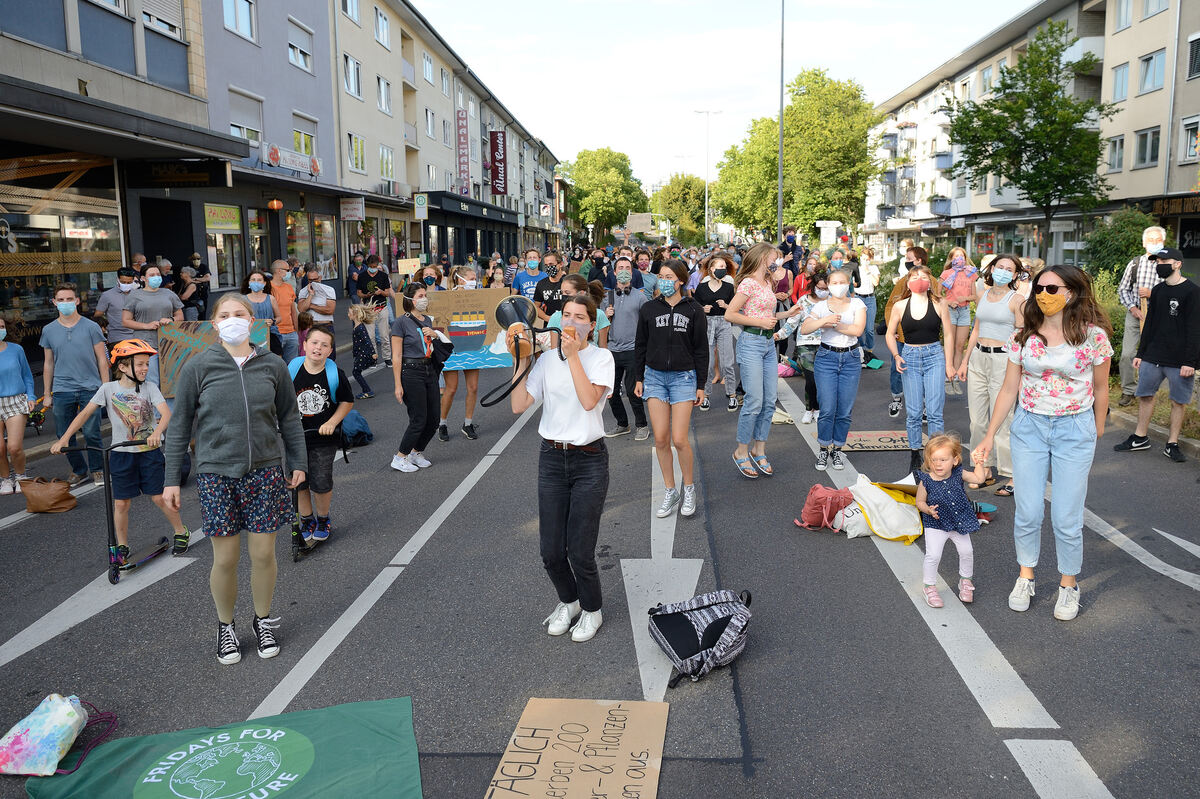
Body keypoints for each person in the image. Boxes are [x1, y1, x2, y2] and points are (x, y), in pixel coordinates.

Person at [163, 292, 306, 663]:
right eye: (224, 314)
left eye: (239, 313)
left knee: (263, 554)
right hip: (215, 473)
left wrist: (297, 461)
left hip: (264, 469)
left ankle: (261, 620)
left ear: (252, 318)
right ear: (214, 323)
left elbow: (289, 417)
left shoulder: (273, 364)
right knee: (224, 558)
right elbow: (179, 426)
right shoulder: (198, 367)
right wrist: (171, 479)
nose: (232, 319)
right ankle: (226, 626)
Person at [975, 265, 1113, 622]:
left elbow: (1101, 388)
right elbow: (1009, 389)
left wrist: (1095, 431)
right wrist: (989, 436)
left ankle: (1069, 584)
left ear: (1073, 292)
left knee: (1067, 516)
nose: (1044, 294)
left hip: (1074, 430)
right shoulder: (1024, 337)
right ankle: (1026, 576)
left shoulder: (1094, 337)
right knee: (1029, 511)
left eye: (1053, 288)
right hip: (1030, 428)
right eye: (1040, 287)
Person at [508, 291, 614, 643]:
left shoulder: (602, 358)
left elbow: (588, 402)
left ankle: (592, 610)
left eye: (579, 316)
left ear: (592, 323)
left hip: (589, 460)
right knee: (551, 551)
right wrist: (520, 360)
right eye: (565, 315)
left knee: (580, 550)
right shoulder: (547, 360)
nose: (570, 321)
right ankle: (568, 602)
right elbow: (519, 404)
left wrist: (572, 358)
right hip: (552, 458)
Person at [51, 340, 190, 560]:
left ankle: (181, 531)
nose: (146, 368)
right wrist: (65, 439)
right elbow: (85, 414)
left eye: (147, 364)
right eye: (141, 364)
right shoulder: (108, 389)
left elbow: (166, 414)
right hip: (121, 454)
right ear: (123, 367)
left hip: (148, 452)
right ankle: (122, 545)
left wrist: (156, 434)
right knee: (121, 502)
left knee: (158, 498)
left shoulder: (150, 388)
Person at [1113, 247, 1200, 463]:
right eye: (1157, 261)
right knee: (1145, 395)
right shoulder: (1159, 290)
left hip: (1180, 361)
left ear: (1177, 263)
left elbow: (1195, 329)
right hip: (1153, 356)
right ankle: (1140, 437)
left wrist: (1191, 362)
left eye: (1164, 260)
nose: (1160, 264)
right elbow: (1149, 324)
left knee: (1178, 402)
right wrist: (1141, 353)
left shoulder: (1192, 292)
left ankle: (1172, 444)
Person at [635, 260, 707, 517]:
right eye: (661, 276)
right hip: (654, 377)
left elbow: (701, 349)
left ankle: (688, 488)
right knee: (661, 438)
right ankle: (670, 490)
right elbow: (640, 345)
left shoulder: (694, 310)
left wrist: (701, 384)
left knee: (679, 438)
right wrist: (638, 378)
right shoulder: (649, 309)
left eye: (669, 276)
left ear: (680, 280)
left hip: (684, 379)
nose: (663, 280)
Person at [725, 243, 802, 478]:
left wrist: (786, 315)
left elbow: (767, 315)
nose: (776, 262)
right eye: (773, 258)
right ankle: (741, 451)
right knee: (754, 400)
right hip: (751, 343)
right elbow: (730, 314)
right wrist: (760, 323)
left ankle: (759, 450)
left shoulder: (768, 282)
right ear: (762, 257)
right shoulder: (748, 282)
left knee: (769, 401)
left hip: (769, 344)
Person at [958, 254, 1026, 496]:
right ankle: (982, 468)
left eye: (1009, 269)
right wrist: (965, 360)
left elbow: (1022, 335)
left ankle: (1011, 473)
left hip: (1003, 360)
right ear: (992, 268)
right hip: (978, 357)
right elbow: (976, 328)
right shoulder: (983, 293)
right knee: (977, 420)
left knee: (1004, 419)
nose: (1004, 271)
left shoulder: (1016, 300)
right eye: (1000, 267)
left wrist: (1018, 368)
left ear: (1016, 275)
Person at [886, 263, 955, 474]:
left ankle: (936, 456)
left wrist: (949, 363)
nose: (918, 280)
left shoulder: (940, 303)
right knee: (914, 412)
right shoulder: (900, 305)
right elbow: (890, 334)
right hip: (909, 357)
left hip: (934, 355)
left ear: (929, 282)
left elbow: (949, 334)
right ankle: (915, 454)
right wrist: (896, 355)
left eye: (923, 276)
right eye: (914, 276)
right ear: (908, 282)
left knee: (934, 412)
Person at [42, 283, 110, 486]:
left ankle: (98, 469)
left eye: (69, 299)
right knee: (64, 434)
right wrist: (47, 393)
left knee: (91, 432)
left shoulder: (91, 327)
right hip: (63, 388)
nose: (65, 303)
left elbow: (102, 360)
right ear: (54, 303)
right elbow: (48, 363)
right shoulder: (48, 330)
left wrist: (105, 388)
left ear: (77, 301)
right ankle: (79, 470)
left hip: (91, 387)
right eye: (61, 300)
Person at [290, 326, 353, 542]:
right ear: (304, 345)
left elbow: (347, 401)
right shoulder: (293, 368)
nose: (318, 348)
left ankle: (323, 517)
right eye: (314, 343)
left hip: (323, 438)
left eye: (324, 345)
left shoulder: (335, 374)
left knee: (321, 480)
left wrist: (332, 422)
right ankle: (307, 519)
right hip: (296, 437)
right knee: (299, 481)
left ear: (330, 350)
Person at [801, 269, 867, 471]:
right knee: (827, 408)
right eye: (834, 282)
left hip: (851, 358)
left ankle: (837, 449)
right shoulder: (821, 306)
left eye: (842, 282)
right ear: (828, 285)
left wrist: (834, 324)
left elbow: (857, 330)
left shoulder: (857, 304)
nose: (838, 285)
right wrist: (824, 321)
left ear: (849, 284)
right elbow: (805, 328)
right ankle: (823, 448)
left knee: (844, 411)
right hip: (826, 358)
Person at [915, 434, 988, 608]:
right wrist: (927, 510)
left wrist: (979, 463)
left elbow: (979, 479)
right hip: (936, 523)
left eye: (943, 459)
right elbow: (919, 501)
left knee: (967, 551)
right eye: (933, 460)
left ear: (955, 460)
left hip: (959, 521)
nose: (938, 464)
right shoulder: (926, 480)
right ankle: (929, 586)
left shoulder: (958, 473)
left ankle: (965, 581)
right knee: (933, 555)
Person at [390, 283, 440, 473]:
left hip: (429, 370)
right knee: (419, 418)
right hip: (411, 371)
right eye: (420, 296)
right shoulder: (401, 322)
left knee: (434, 418)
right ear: (410, 299)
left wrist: (435, 334)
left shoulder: (427, 319)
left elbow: (431, 345)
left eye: (425, 295)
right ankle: (400, 456)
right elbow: (396, 356)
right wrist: (397, 384)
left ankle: (416, 452)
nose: (424, 299)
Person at [1116, 226, 1168, 406]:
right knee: (1127, 354)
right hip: (1135, 314)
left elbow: (1174, 292)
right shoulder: (1135, 263)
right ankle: (1128, 390)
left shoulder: (1169, 264)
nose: (1154, 243)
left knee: (1157, 355)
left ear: (1163, 242)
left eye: (1158, 240)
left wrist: (1152, 294)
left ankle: (1151, 392)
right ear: (1144, 243)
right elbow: (1123, 289)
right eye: (1151, 240)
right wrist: (1133, 309)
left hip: (1159, 316)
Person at [602, 258, 650, 440]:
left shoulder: (640, 297)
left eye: (627, 268)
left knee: (632, 391)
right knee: (611, 391)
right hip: (612, 351)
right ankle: (622, 423)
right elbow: (601, 328)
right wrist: (606, 316)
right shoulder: (607, 298)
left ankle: (642, 425)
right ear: (614, 272)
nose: (624, 271)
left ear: (632, 273)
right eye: (620, 268)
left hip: (633, 351)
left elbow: (647, 326)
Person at [439, 266, 484, 441]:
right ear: (460, 279)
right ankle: (442, 423)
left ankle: (468, 423)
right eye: (471, 278)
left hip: (472, 343)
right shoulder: (447, 297)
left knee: (473, 387)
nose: (475, 281)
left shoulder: (479, 297)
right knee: (451, 388)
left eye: (475, 278)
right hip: (452, 346)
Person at [776, 272, 827, 425]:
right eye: (820, 288)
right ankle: (809, 409)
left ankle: (816, 409)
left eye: (826, 288)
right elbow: (792, 321)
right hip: (805, 344)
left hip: (825, 344)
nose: (823, 291)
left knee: (820, 379)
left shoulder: (832, 301)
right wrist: (779, 334)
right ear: (813, 287)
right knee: (811, 378)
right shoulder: (803, 300)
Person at [122, 264, 183, 387]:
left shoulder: (168, 293)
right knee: (151, 382)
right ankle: (152, 406)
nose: (156, 277)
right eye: (152, 275)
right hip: (146, 346)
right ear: (143, 278)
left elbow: (180, 316)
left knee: (170, 383)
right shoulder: (134, 295)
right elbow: (125, 321)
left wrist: (171, 319)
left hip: (169, 344)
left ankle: (169, 407)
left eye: (158, 275)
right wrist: (147, 326)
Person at [695, 253, 739, 412]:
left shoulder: (728, 287)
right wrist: (702, 309)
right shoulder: (701, 287)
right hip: (706, 324)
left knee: (727, 361)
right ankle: (705, 396)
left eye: (725, 268)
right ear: (711, 269)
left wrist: (726, 305)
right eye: (720, 267)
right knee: (707, 363)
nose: (723, 270)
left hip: (724, 323)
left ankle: (732, 395)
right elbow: (695, 307)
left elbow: (735, 307)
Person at [0, 318, 35, 494]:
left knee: (14, 447)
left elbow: (27, 375)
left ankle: (21, 475)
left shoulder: (16, 349)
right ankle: (5, 479)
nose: (0, 330)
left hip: (15, 399)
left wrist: (31, 396)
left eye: (1, 327)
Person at [940, 247, 977, 391]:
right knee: (949, 344)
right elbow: (937, 294)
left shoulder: (970, 273)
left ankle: (955, 377)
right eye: (956, 256)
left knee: (960, 346)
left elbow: (974, 296)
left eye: (961, 256)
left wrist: (965, 298)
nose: (959, 259)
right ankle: (947, 377)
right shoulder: (947, 273)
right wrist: (949, 302)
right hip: (950, 310)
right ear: (951, 258)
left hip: (964, 310)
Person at [548, 275, 610, 347]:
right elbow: (554, 349)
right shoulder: (556, 317)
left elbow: (603, 347)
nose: (564, 296)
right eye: (562, 293)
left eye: (567, 293)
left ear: (581, 293)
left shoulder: (599, 314)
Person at [356, 255, 394, 367]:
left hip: (382, 307)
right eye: (371, 267)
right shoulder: (362, 276)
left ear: (378, 265)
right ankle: (373, 358)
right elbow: (358, 292)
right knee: (370, 336)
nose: (373, 269)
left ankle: (387, 358)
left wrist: (381, 292)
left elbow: (387, 293)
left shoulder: (383, 276)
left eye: (375, 266)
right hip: (369, 308)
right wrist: (365, 295)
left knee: (384, 335)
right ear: (367, 265)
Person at [298, 263, 338, 353]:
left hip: (326, 325)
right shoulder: (303, 291)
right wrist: (310, 295)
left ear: (320, 278)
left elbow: (329, 310)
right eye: (310, 280)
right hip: (310, 327)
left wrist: (311, 305)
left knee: (328, 355)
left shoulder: (329, 290)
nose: (313, 282)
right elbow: (301, 309)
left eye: (315, 279)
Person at [95, 267, 139, 343]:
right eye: (123, 282)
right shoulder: (107, 295)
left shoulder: (138, 294)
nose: (126, 284)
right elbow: (97, 316)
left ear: (133, 281)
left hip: (138, 336)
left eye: (129, 283)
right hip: (116, 337)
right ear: (117, 279)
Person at [240, 270, 280, 354]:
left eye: (259, 280)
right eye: (253, 280)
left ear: (264, 283)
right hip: (249, 336)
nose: (256, 282)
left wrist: (272, 321)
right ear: (248, 282)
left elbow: (279, 318)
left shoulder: (271, 298)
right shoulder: (242, 300)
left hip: (270, 335)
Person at [852, 248, 880, 362]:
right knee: (859, 327)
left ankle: (869, 349)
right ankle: (861, 347)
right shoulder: (856, 268)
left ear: (871, 259)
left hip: (870, 298)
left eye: (867, 259)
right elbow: (853, 284)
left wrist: (868, 271)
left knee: (869, 329)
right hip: (858, 297)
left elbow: (876, 283)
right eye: (863, 259)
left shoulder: (873, 268)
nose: (865, 261)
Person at [271, 260, 300, 362]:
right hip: (277, 333)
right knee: (278, 367)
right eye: (287, 270)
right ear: (279, 271)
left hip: (291, 333)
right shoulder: (268, 288)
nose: (289, 272)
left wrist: (297, 331)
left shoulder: (288, 287)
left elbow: (293, 311)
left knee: (293, 366)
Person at [348, 304, 378, 399]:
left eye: (349, 312)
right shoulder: (357, 326)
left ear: (355, 314)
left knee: (356, 372)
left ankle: (367, 391)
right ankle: (366, 390)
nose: (348, 314)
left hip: (363, 354)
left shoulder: (360, 328)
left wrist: (373, 353)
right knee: (356, 372)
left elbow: (367, 340)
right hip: (360, 353)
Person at [533, 251, 566, 325]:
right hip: (550, 325)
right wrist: (547, 318)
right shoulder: (541, 284)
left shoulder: (569, 282)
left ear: (560, 264)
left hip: (568, 324)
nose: (549, 267)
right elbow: (536, 306)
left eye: (551, 264)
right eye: (546, 265)